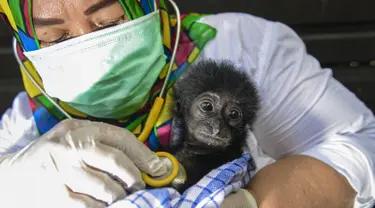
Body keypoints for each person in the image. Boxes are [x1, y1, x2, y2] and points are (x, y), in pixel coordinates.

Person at [0, 0, 374, 207]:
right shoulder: (28, 121)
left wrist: (249, 203)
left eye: (107, 21)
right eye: (52, 37)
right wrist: (11, 183)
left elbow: (364, 145)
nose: (86, 47)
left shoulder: (241, 48)